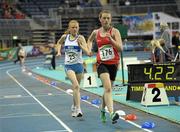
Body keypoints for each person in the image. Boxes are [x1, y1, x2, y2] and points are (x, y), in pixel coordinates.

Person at [87, 10, 123, 124]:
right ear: (100, 19)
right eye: (104, 18)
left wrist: (111, 40)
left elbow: (120, 48)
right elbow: (89, 40)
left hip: (113, 64)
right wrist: (89, 49)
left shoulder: (115, 31)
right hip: (101, 64)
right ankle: (112, 113)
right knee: (107, 88)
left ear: (110, 19)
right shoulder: (96, 32)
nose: (106, 20)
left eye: (108, 18)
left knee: (108, 90)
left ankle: (102, 110)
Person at [56, 20, 91, 117]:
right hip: (69, 66)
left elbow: (87, 52)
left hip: (79, 66)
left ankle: (74, 106)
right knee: (76, 86)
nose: (75, 29)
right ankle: (79, 109)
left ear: (78, 28)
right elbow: (59, 43)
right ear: (69, 28)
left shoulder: (81, 38)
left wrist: (81, 46)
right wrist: (58, 52)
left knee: (76, 89)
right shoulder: (65, 37)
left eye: (76, 27)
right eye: (73, 27)